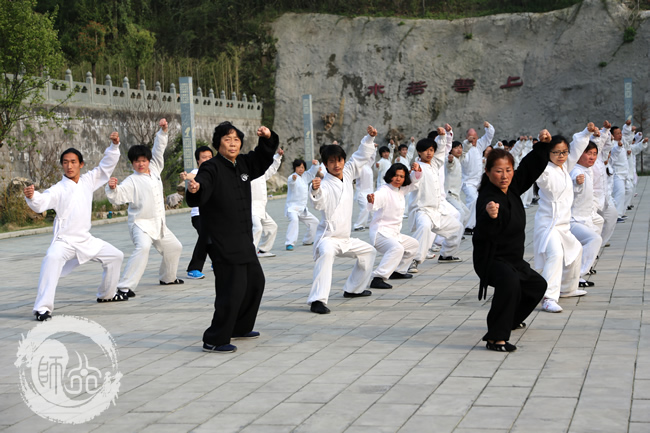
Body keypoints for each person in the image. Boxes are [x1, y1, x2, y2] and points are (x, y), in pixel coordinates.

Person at [186, 121, 279, 353]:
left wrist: (267, 138)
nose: (232, 143)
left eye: (236, 139)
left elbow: (263, 157)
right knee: (231, 290)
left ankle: (240, 327)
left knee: (256, 282)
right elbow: (202, 186)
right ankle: (214, 339)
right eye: (227, 139)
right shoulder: (211, 167)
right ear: (218, 143)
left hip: (243, 239)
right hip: (222, 241)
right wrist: (195, 189)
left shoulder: (243, 164)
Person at [24, 132, 126, 321]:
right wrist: (32, 196)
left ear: (81, 164)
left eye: (73, 162)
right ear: (62, 164)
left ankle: (107, 295)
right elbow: (42, 201)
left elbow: (105, 168)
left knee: (115, 256)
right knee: (51, 259)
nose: (69, 166)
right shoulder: (58, 189)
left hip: (85, 240)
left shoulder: (88, 180)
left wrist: (114, 146)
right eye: (65, 162)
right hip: (65, 241)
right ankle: (42, 308)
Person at [473, 130, 553, 352]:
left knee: (538, 285)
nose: (504, 175)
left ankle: (510, 320)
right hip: (491, 260)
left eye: (508, 170)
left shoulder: (513, 187)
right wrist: (490, 216)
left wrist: (542, 147)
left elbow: (529, 168)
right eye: (498, 171)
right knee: (509, 282)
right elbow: (483, 234)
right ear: (488, 172)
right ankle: (495, 338)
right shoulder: (488, 198)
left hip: (513, 259)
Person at [106, 119, 183, 297]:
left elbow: (158, 150)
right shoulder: (131, 181)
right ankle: (124, 287)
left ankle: (168, 277)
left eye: (143, 160)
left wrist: (163, 132)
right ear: (132, 163)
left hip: (158, 224)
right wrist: (112, 188)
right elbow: (118, 195)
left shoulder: (155, 169)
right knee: (143, 249)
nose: (141, 164)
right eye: (136, 161)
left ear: (148, 161)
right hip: (140, 225)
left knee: (175, 247)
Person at [307, 125, 379, 314]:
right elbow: (318, 204)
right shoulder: (324, 184)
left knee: (369, 252)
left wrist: (369, 138)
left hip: (345, 238)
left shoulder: (347, 173)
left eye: (339, 160)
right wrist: (314, 189)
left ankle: (353, 289)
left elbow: (360, 156)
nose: (337, 164)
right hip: (328, 238)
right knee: (327, 254)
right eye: (332, 161)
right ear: (326, 164)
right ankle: (317, 300)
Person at [534, 124, 596, 313]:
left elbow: (577, 148)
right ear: (549, 152)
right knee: (556, 255)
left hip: (563, 225)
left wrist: (587, 132)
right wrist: (541, 147)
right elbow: (538, 171)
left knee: (576, 250)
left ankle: (567, 289)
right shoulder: (545, 169)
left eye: (564, 152)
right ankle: (548, 297)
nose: (561, 156)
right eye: (556, 152)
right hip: (549, 224)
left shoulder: (565, 167)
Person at [407, 126, 463, 273]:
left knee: (457, 228)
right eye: (426, 150)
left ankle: (446, 254)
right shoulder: (417, 166)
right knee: (425, 228)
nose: (429, 153)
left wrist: (443, 137)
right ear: (419, 152)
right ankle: (414, 260)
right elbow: (413, 180)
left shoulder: (435, 164)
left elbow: (441, 153)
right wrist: (416, 172)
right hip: (423, 210)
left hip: (437, 211)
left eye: (432, 150)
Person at [367, 162, 421, 289]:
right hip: (380, 233)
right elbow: (377, 199)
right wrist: (372, 200)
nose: (398, 179)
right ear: (390, 175)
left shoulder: (401, 190)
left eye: (402, 177)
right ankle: (378, 278)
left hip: (394, 234)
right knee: (397, 249)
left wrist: (417, 170)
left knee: (414, 244)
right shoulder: (384, 190)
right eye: (396, 175)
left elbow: (414, 182)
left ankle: (398, 271)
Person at [570, 141, 603, 286]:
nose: (592, 157)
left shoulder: (587, 170)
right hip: (573, 220)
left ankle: (576, 275)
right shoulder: (576, 171)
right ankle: (579, 273)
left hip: (586, 217)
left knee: (599, 222)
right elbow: (573, 184)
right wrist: (576, 182)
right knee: (594, 239)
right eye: (588, 153)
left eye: (594, 154)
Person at [181, 145, 215, 279]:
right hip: (199, 215)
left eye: (210, 157)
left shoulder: (216, 171)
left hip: (215, 214)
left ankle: (216, 261)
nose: (207, 160)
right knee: (205, 238)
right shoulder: (198, 172)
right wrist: (187, 176)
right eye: (204, 158)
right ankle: (194, 268)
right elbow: (195, 176)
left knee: (214, 238)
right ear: (198, 161)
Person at [460, 121, 495, 235]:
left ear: (477, 138)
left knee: (483, 200)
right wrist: (467, 143)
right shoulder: (464, 149)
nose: (472, 140)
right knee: (472, 199)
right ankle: (467, 226)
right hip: (468, 182)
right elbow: (463, 151)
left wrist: (488, 127)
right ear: (466, 138)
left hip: (479, 181)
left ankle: (477, 224)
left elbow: (489, 136)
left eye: (474, 138)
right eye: (470, 138)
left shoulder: (479, 145)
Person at [251, 148, 283, 257]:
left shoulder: (262, 174)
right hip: (252, 209)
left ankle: (263, 250)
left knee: (272, 227)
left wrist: (278, 156)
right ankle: (250, 253)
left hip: (261, 209)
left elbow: (272, 168)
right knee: (257, 228)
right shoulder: (247, 175)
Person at [285, 158, 320, 250]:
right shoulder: (292, 177)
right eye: (299, 167)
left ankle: (308, 240)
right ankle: (290, 243)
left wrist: (315, 164)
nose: (301, 169)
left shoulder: (305, 176)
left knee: (315, 222)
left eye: (303, 167)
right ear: (295, 168)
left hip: (302, 209)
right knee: (294, 220)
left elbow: (312, 172)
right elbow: (291, 183)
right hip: (292, 208)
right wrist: (293, 179)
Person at [444, 140, 470, 227]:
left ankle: (458, 233)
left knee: (467, 213)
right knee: (460, 213)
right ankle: (454, 235)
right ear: (451, 150)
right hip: (449, 194)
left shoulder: (459, 159)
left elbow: (465, 150)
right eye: (455, 148)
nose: (459, 150)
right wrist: (450, 161)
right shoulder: (451, 159)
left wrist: (468, 142)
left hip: (456, 195)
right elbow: (449, 165)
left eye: (460, 147)